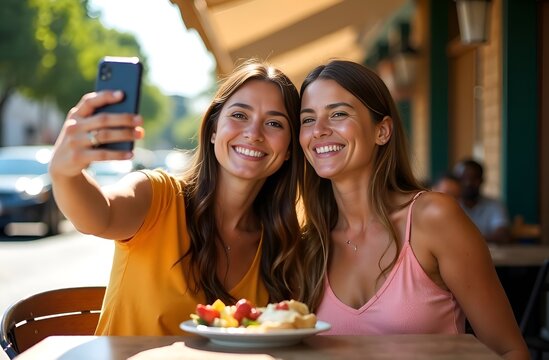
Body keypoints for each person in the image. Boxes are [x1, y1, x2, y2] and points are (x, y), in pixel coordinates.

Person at [48, 59, 305, 335]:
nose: (254, 133)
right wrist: (65, 173)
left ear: (290, 147)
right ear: (214, 129)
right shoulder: (158, 196)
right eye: (240, 115)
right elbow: (98, 216)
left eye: (274, 123)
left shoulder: (284, 245)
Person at [297, 60, 528, 359]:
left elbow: (510, 351)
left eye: (338, 114)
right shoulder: (309, 243)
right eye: (307, 119)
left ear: (382, 131)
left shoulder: (432, 218)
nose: (319, 131)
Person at [453, 158, 511, 244]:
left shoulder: (494, 205)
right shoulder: (451, 205)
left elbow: (502, 235)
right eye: (463, 178)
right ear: (456, 181)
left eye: (474, 179)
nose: (468, 183)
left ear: (482, 180)